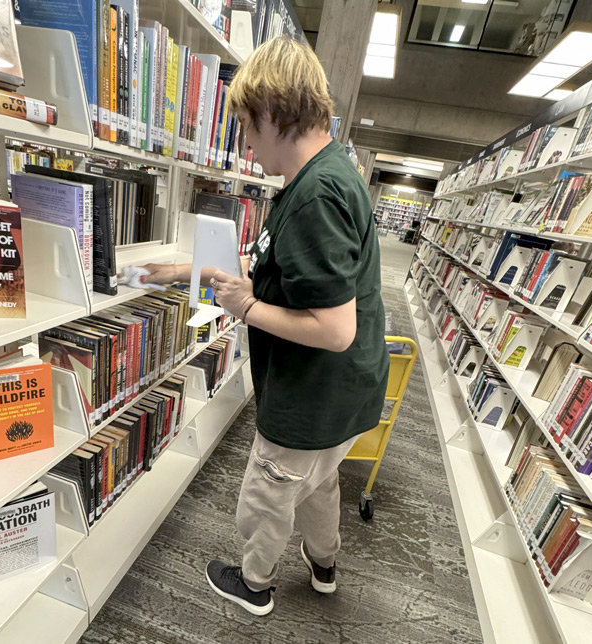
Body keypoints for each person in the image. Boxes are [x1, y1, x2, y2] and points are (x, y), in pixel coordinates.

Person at [140, 36, 389, 616]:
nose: (247, 146)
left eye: (248, 129)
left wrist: (246, 310)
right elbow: (278, 271)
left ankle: (253, 583)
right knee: (320, 481)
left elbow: (333, 329)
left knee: (270, 489)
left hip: (311, 394)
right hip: (345, 394)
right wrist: (189, 272)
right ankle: (324, 565)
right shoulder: (328, 175)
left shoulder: (314, 197)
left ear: (274, 114)